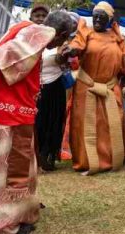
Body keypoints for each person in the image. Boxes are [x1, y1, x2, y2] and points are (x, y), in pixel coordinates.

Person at [0, 11, 74, 234]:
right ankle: (1, 225)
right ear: (60, 33)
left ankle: (20, 214)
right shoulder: (38, 36)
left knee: (22, 169)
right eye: (65, 37)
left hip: (20, 112)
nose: (64, 43)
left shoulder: (25, 29)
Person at [62, 1, 125, 175]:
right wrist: (70, 50)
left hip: (110, 87)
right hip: (87, 86)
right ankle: (87, 161)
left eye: (102, 17)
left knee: (110, 123)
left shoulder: (116, 37)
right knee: (85, 124)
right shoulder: (85, 32)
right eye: (95, 17)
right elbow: (76, 46)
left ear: (109, 19)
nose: (98, 20)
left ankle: (112, 158)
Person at [35, 13, 79, 171]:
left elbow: (63, 62)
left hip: (54, 88)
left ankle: (48, 156)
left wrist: (64, 56)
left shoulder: (65, 44)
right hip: (36, 87)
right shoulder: (37, 39)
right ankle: (34, 156)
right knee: (37, 123)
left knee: (51, 123)